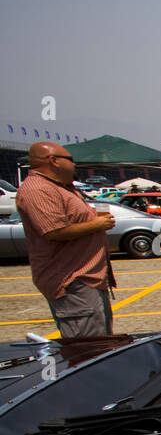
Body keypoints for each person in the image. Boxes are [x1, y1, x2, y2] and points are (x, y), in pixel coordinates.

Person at [15, 141, 117, 338]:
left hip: (88, 280)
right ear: (53, 161)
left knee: (101, 340)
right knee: (88, 347)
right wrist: (97, 225)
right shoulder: (38, 189)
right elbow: (53, 231)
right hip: (72, 281)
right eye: (70, 160)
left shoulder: (63, 187)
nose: (74, 164)